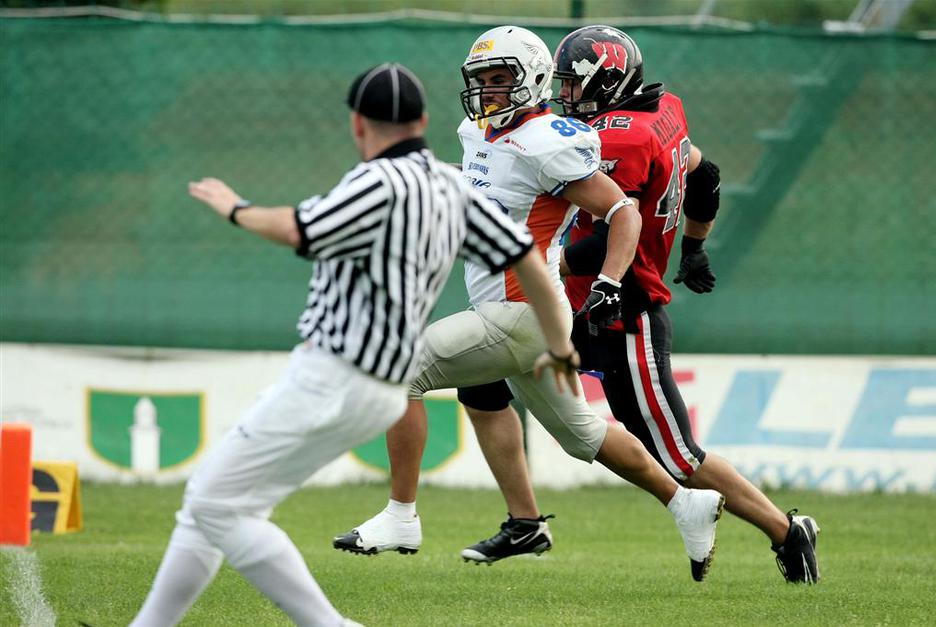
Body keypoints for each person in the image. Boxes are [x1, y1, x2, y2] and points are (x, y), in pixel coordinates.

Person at [131, 63, 586, 627]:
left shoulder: (376, 182)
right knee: (221, 508)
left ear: (356, 124)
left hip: (333, 375)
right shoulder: (452, 186)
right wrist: (561, 342)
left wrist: (235, 208)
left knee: (209, 500)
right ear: (422, 120)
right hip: (384, 389)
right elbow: (525, 259)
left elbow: (301, 229)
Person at [414, 26, 821, 584]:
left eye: (576, 88)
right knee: (483, 385)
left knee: (678, 457)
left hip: (621, 311)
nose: (566, 98)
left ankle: (785, 529)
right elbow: (706, 174)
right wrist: (695, 247)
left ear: (609, 82)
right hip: (569, 309)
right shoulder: (663, 112)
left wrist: (545, 261)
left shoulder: (620, 137)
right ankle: (524, 520)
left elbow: (611, 229)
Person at [333, 27, 726, 583]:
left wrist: (609, 282)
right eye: (482, 81)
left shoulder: (550, 139)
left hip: (521, 315)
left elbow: (624, 212)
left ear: (534, 79)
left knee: (398, 371)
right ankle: (687, 504)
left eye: (502, 79)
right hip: (517, 315)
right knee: (583, 435)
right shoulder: (478, 130)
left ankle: (402, 516)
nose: (489, 92)